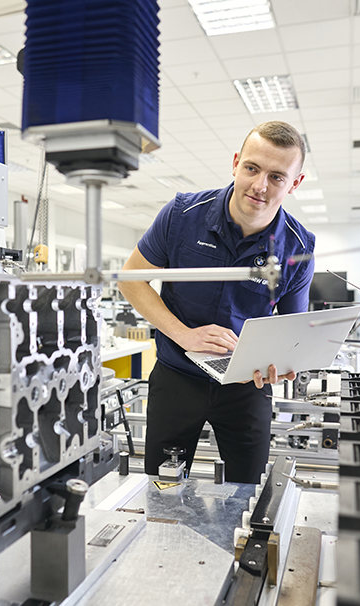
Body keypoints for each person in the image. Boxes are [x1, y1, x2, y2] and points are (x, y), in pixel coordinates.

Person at [118, 121, 316, 483]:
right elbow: (131, 281)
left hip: (246, 389)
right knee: (161, 489)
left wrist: (285, 363)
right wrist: (184, 335)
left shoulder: (298, 249)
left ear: (295, 184)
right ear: (236, 162)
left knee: (247, 494)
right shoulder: (182, 216)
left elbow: (292, 335)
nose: (259, 186)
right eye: (252, 168)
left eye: (276, 177)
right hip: (177, 378)